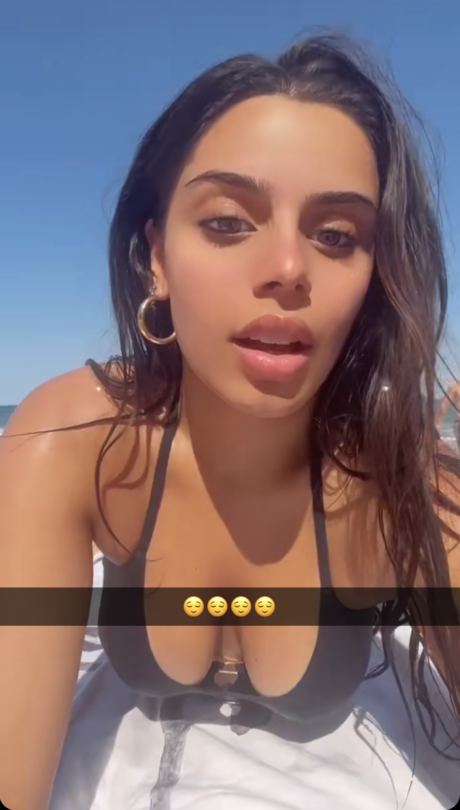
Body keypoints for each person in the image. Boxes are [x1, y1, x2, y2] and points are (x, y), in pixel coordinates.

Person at [1, 33, 460, 810]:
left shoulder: (405, 480)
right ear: (156, 258)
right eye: (226, 222)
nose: (288, 268)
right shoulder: (72, 442)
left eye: (336, 236)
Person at [436, 381, 460, 450]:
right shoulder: (455, 388)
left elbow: (444, 405)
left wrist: (437, 425)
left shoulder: (455, 388)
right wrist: (438, 425)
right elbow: (444, 405)